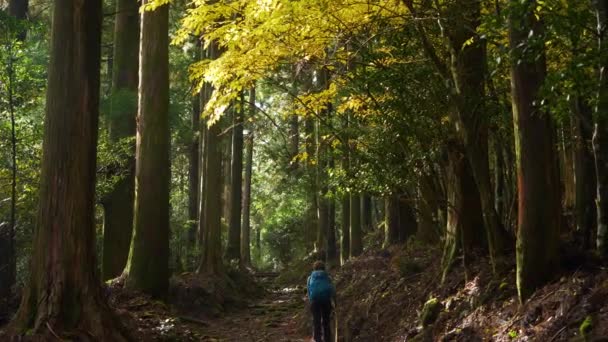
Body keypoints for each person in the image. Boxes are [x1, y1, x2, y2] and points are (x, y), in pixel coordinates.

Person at [307, 261, 336, 342]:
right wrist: (334, 302)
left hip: (315, 301)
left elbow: (309, 291)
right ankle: (327, 339)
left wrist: (311, 301)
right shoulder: (328, 277)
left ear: (314, 268)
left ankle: (317, 339)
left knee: (316, 321)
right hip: (326, 301)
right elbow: (333, 290)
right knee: (326, 322)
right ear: (324, 268)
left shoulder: (310, 278)